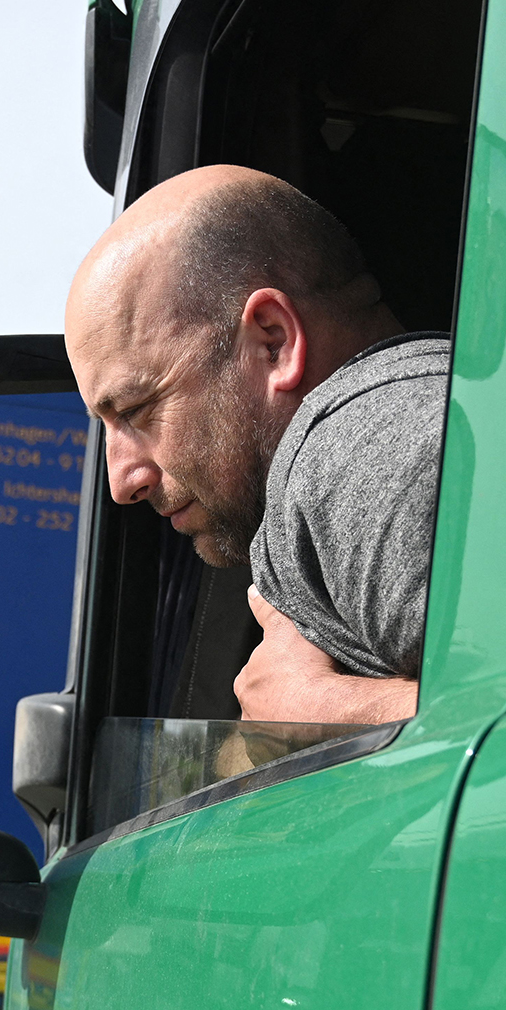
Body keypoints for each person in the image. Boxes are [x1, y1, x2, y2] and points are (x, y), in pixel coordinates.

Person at [64, 164, 445, 726]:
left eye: (137, 410)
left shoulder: (361, 450)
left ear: (273, 342)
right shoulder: (435, 410)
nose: (122, 482)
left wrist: (318, 709)